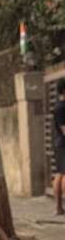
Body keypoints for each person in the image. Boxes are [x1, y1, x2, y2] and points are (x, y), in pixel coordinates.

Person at [54, 78, 65, 216]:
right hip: (63, 145)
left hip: (59, 144)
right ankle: (58, 207)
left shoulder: (59, 106)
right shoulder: (62, 107)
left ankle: (58, 207)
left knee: (60, 174)